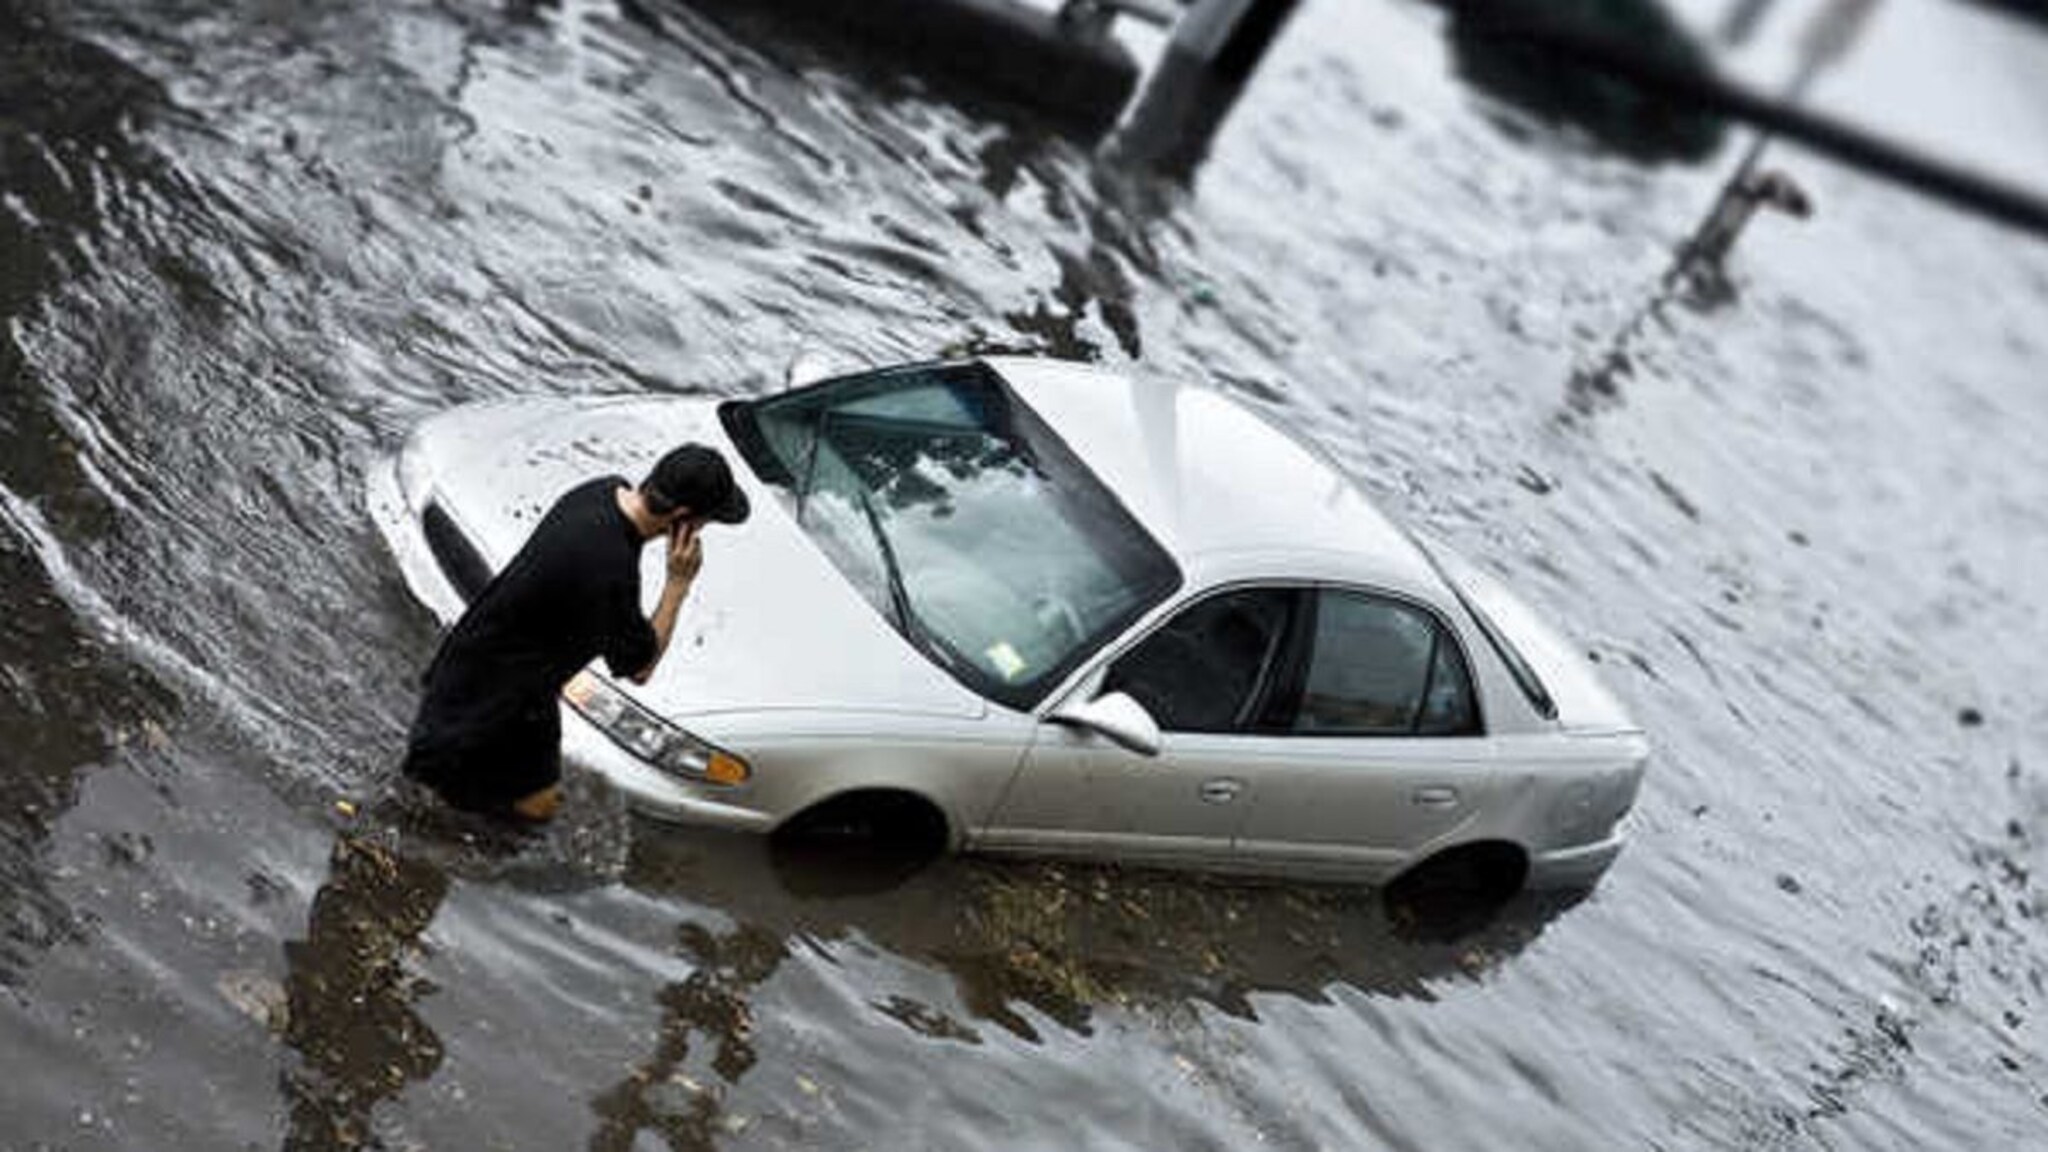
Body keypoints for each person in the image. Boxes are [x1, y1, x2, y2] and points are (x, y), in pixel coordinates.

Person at [401, 443, 749, 821]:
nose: (701, 530)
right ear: (683, 518)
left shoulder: (599, 491)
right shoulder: (611, 571)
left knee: (538, 805)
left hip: (498, 676)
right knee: (435, 814)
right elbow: (641, 668)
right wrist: (678, 584)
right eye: (705, 521)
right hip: (486, 709)